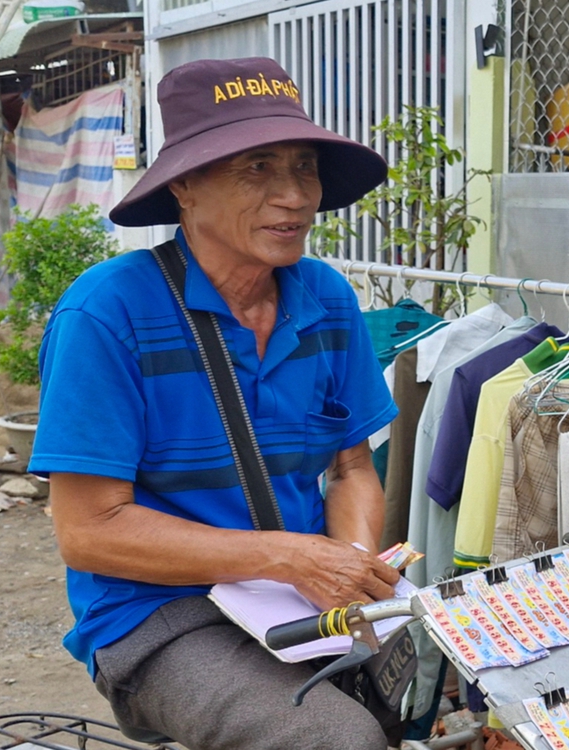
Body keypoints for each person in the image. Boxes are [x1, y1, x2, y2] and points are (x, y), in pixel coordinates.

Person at [31, 57, 402, 749]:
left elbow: (352, 468)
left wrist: (349, 569)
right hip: (159, 612)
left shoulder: (326, 297)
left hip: (297, 598)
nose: (294, 196)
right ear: (185, 187)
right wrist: (289, 558)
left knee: (448, 681)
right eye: (257, 168)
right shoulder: (107, 312)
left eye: (304, 168)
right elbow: (88, 531)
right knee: (335, 739)